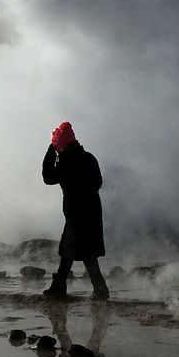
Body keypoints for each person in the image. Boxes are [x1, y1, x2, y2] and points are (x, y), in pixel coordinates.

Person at [42, 121, 109, 300]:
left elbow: (48, 178)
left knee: (77, 250)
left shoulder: (66, 162)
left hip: (76, 214)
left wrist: (50, 151)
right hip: (92, 210)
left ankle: (98, 289)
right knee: (75, 250)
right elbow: (98, 183)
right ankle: (62, 286)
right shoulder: (88, 157)